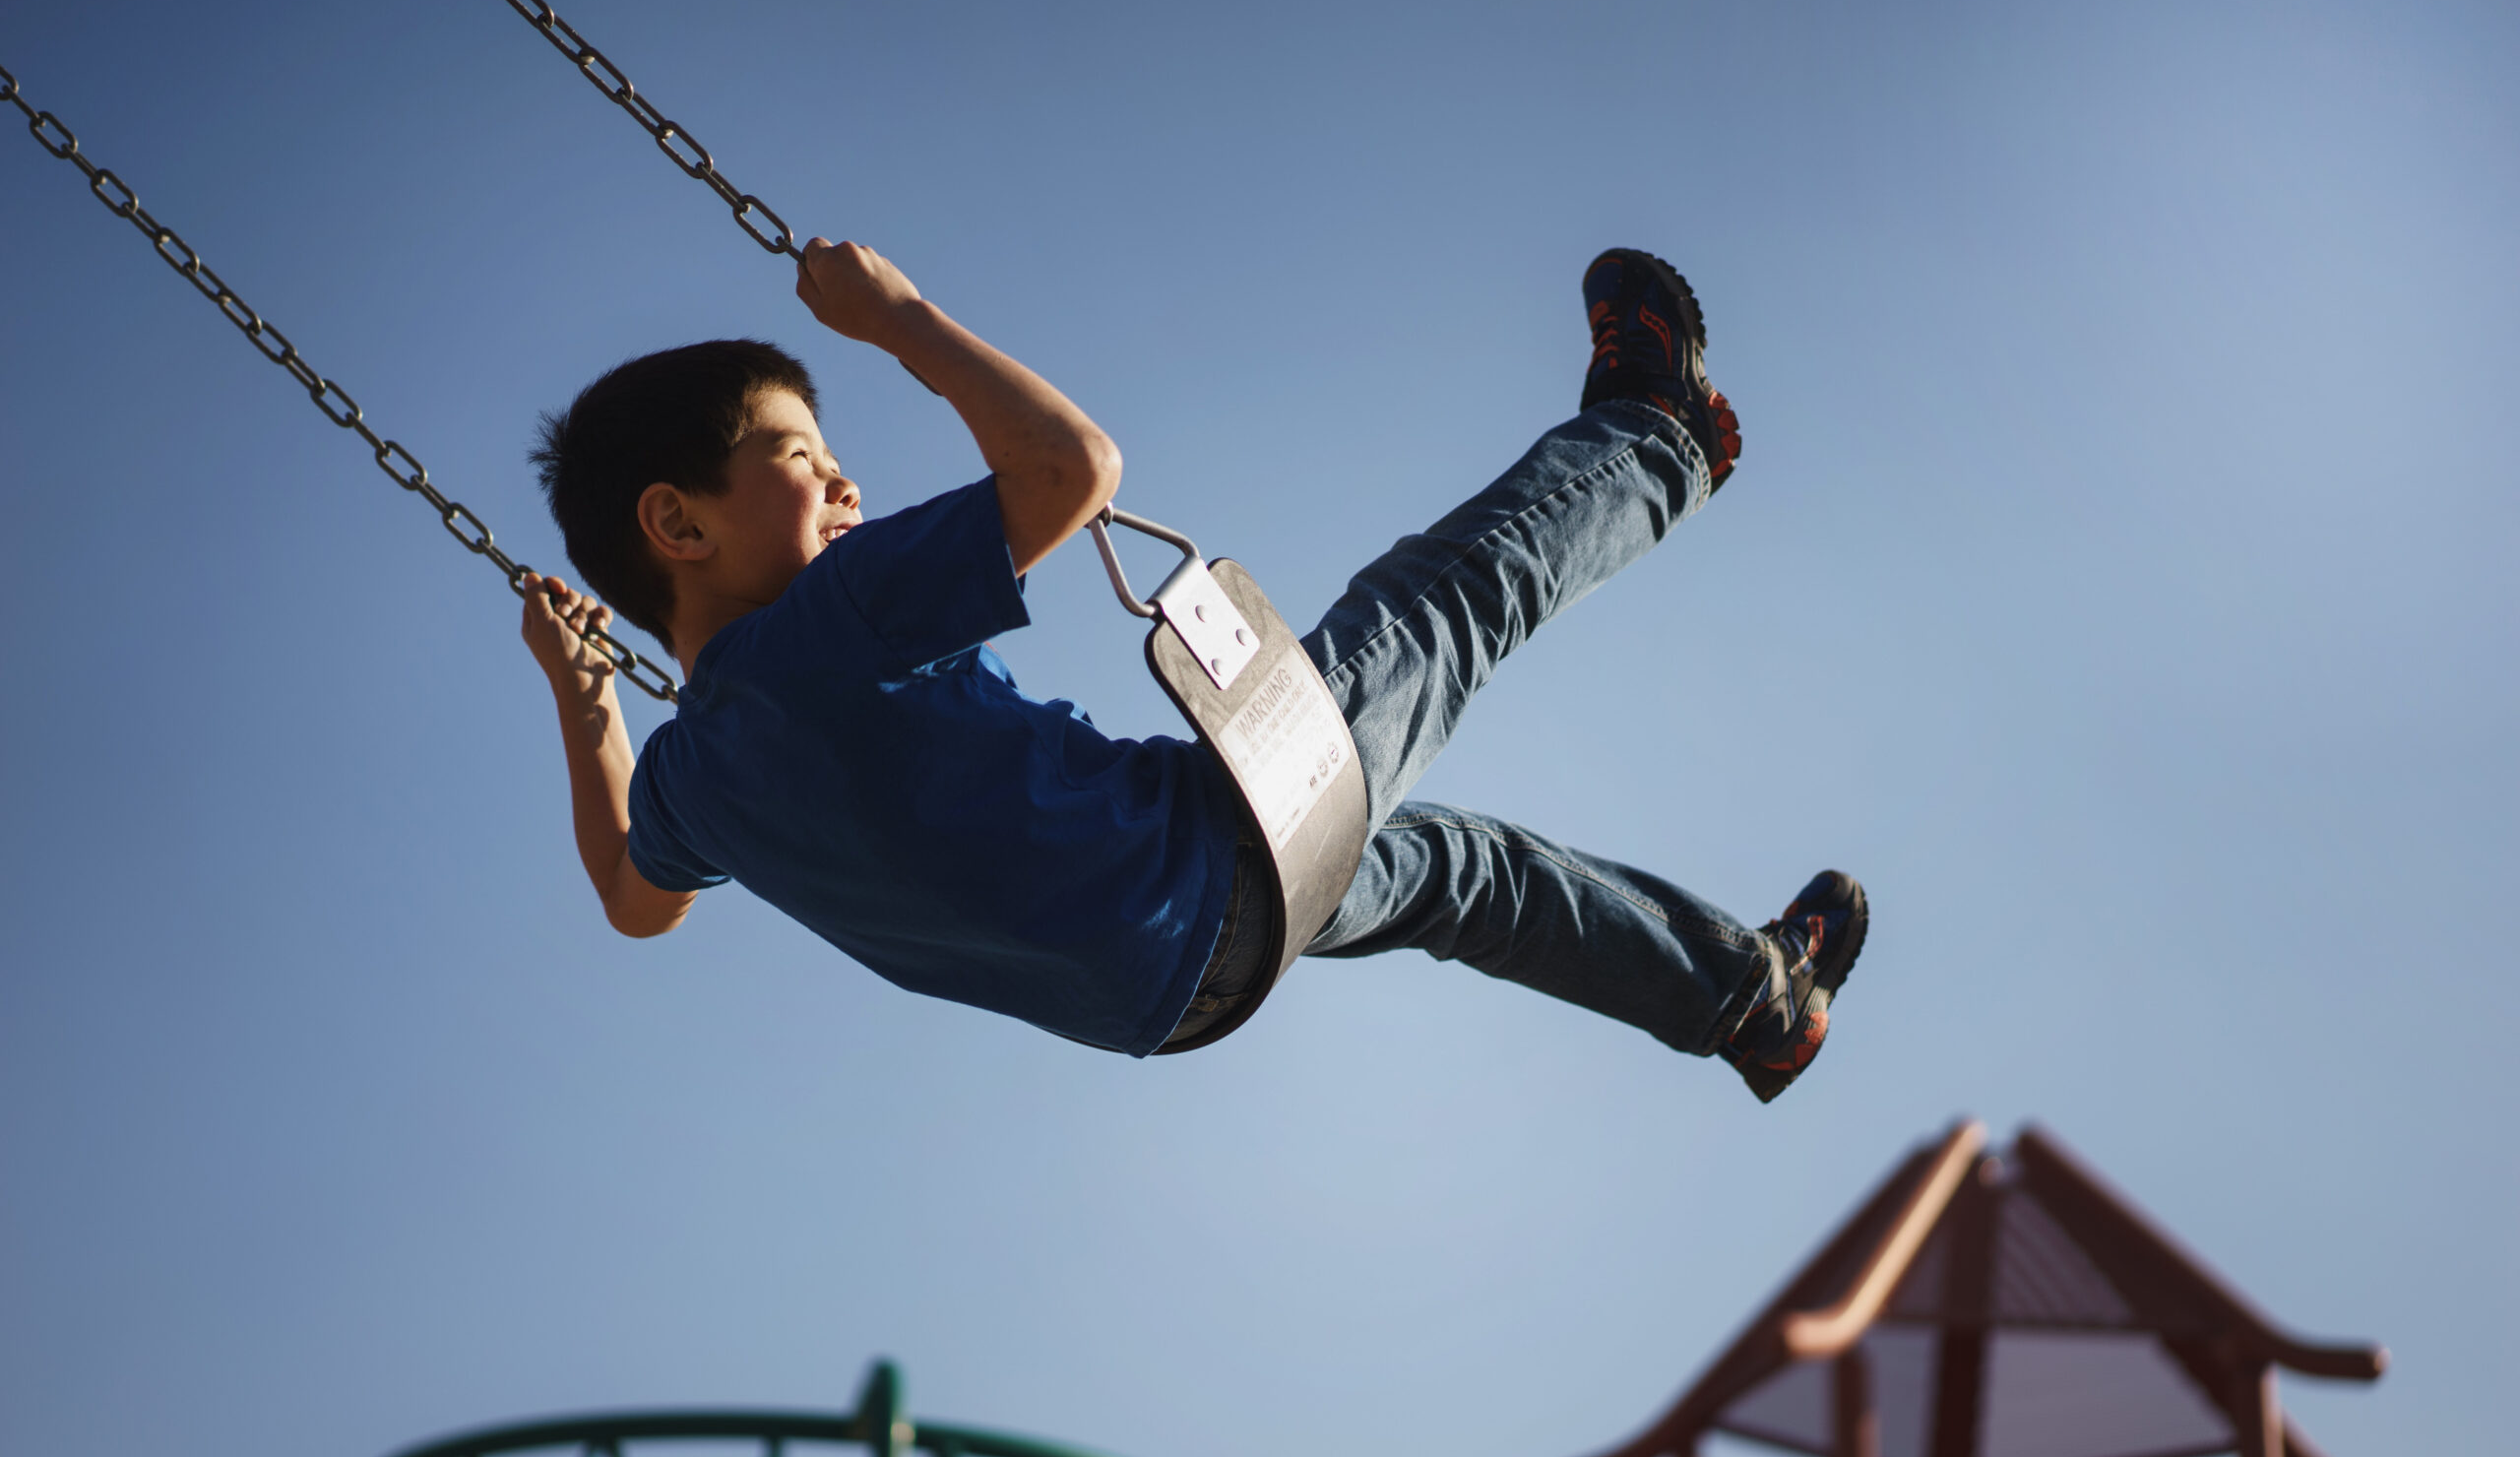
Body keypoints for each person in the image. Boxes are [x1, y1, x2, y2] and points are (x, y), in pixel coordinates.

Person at [520, 243, 1866, 1101]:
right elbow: (1070, 470)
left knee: (1467, 878)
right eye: (800, 457)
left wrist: (589, 711)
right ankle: (1658, 438)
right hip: (1204, 858)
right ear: (678, 524)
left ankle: (1750, 1000)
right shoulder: (828, 621)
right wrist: (901, 319)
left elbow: (634, 900)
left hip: (1174, 990)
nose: (842, 481)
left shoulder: (689, 779)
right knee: (1441, 606)